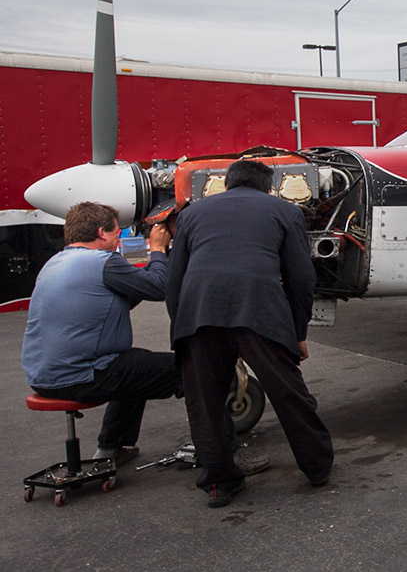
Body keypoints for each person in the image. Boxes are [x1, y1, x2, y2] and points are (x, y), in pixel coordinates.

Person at [167, 159, 333, 508]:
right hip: (259, 311)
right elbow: (301, 278)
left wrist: (182, 330)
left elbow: (175, 279)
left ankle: (219, 483)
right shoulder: (285, 211)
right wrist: (297, 332)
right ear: (269, 187)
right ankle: (317, 468)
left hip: (198, 315)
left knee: (206, 405)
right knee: (289, 394)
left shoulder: (191, 214)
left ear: (227, 183)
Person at [22, 202, 178, 465]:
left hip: (43, 376)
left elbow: (129, 292)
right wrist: (158, 250)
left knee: (136, 364)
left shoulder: (56, 262)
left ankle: (111, 447)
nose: (118, 239)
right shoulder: (104, 262)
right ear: (101, 233)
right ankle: (213, 446)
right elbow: (159, 287)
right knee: (190, 367)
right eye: (116, 232)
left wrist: (158, 264)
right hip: (80, 376)